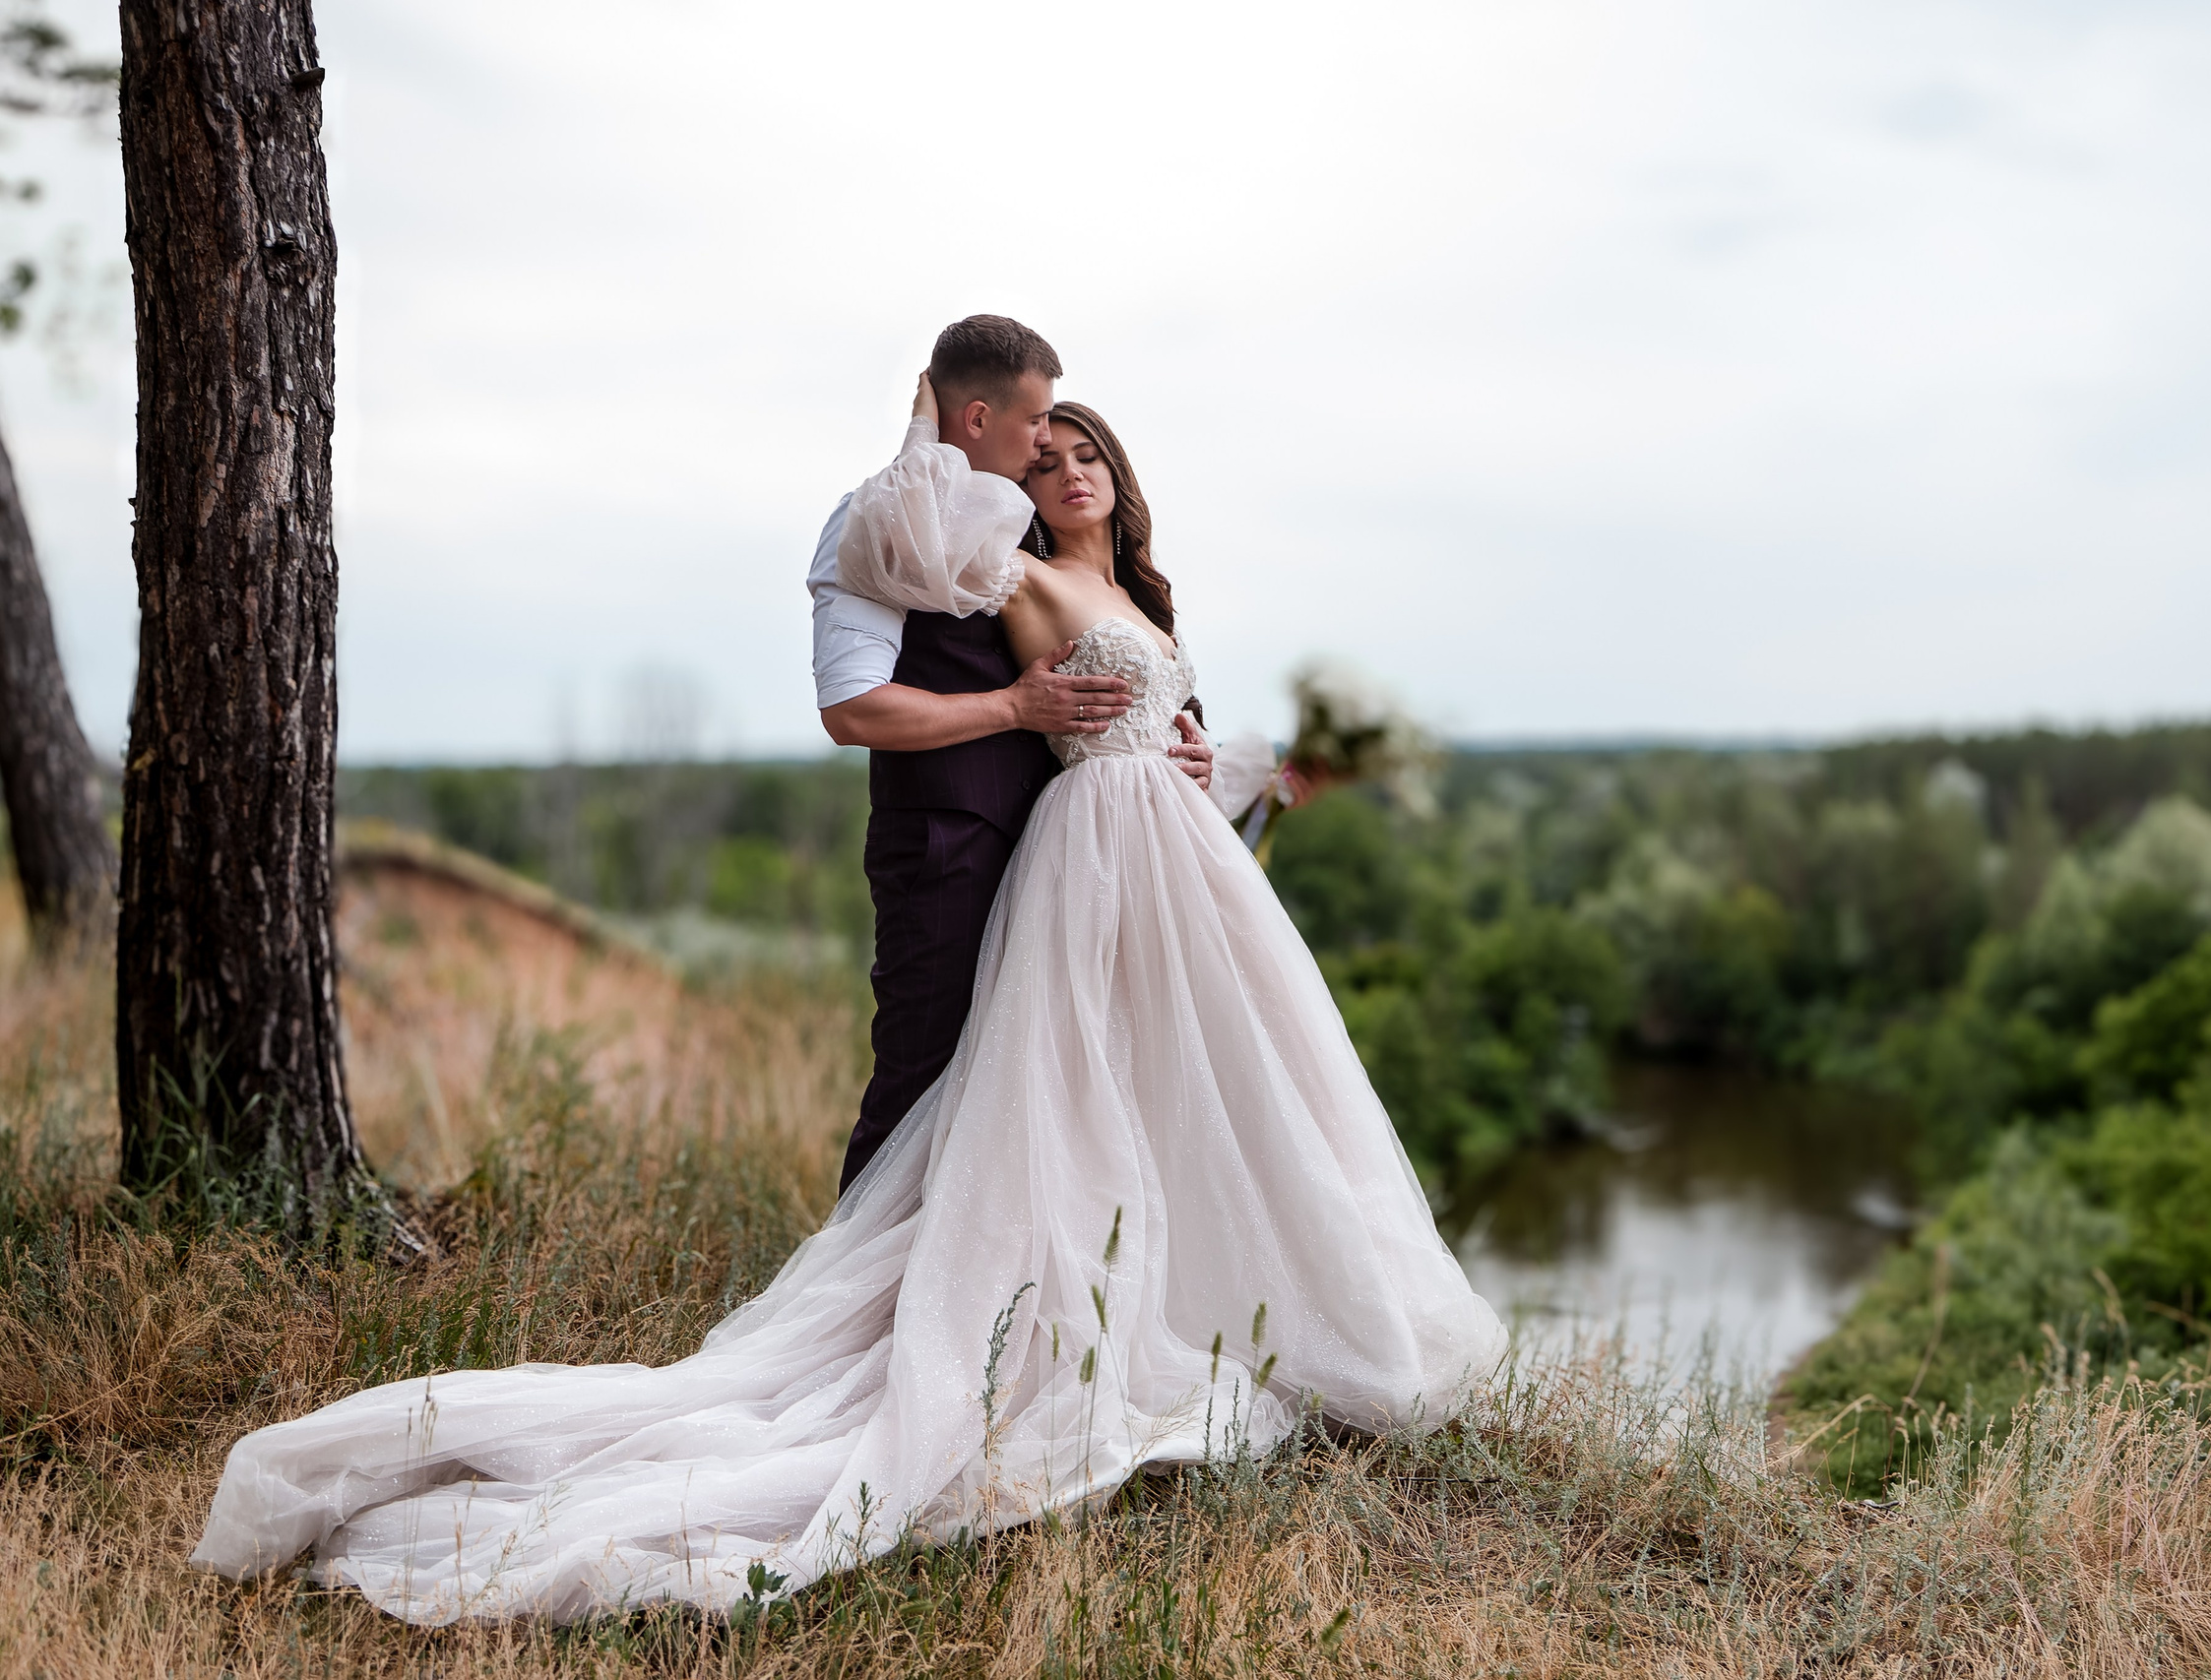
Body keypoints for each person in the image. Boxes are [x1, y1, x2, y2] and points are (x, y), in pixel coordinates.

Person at [189, 355, 1506, 1627]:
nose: (1066, 467)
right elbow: (911, 539)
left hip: (1169, 853)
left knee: (1210, 1085)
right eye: (1044, 452)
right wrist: (934, 419)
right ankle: (953, 1328)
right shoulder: (1020, 574)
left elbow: (1162, 732)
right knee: (1057, 1093)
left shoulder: (1148, 601)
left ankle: (1233, 1296)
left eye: (1085, 447)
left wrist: (1229, 756)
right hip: (1094, 853)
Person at [805, 317, 1213, 1195]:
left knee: (1069, 1090)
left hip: (1071, 857)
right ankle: (863, 1304)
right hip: (948, 846)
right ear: (981, 417)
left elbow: (1124, 655)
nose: (1051, 449)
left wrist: (1186, 738)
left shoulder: (1027, 541)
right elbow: (849, 707)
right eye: (1038, 431)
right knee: (923, 1081)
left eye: (1076, 448)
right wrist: (1013, 706)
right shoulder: (885, 526)